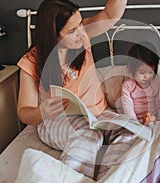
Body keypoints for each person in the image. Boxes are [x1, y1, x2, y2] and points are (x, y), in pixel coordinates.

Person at [17, 0, 131, 180]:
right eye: (72, 31)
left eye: (80, 24)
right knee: (88, 136)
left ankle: (108, 178)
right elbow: (24, 113)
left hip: (98, 115)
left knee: (129, 135)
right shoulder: (31, 61)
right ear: (53, 35)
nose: (81, 33)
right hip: (57, 121)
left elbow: (111, 14)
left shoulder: (81, 34)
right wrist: (42, 111)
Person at [121, 42, 160, 126]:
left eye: (151, 72)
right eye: (142, 72)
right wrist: (135, 123)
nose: (147, 76)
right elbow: (127, 107)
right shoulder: (128, 86)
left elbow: (159, 104)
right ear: (131, 68)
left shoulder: (156, 84)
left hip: (153, 118)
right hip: (135, 120)